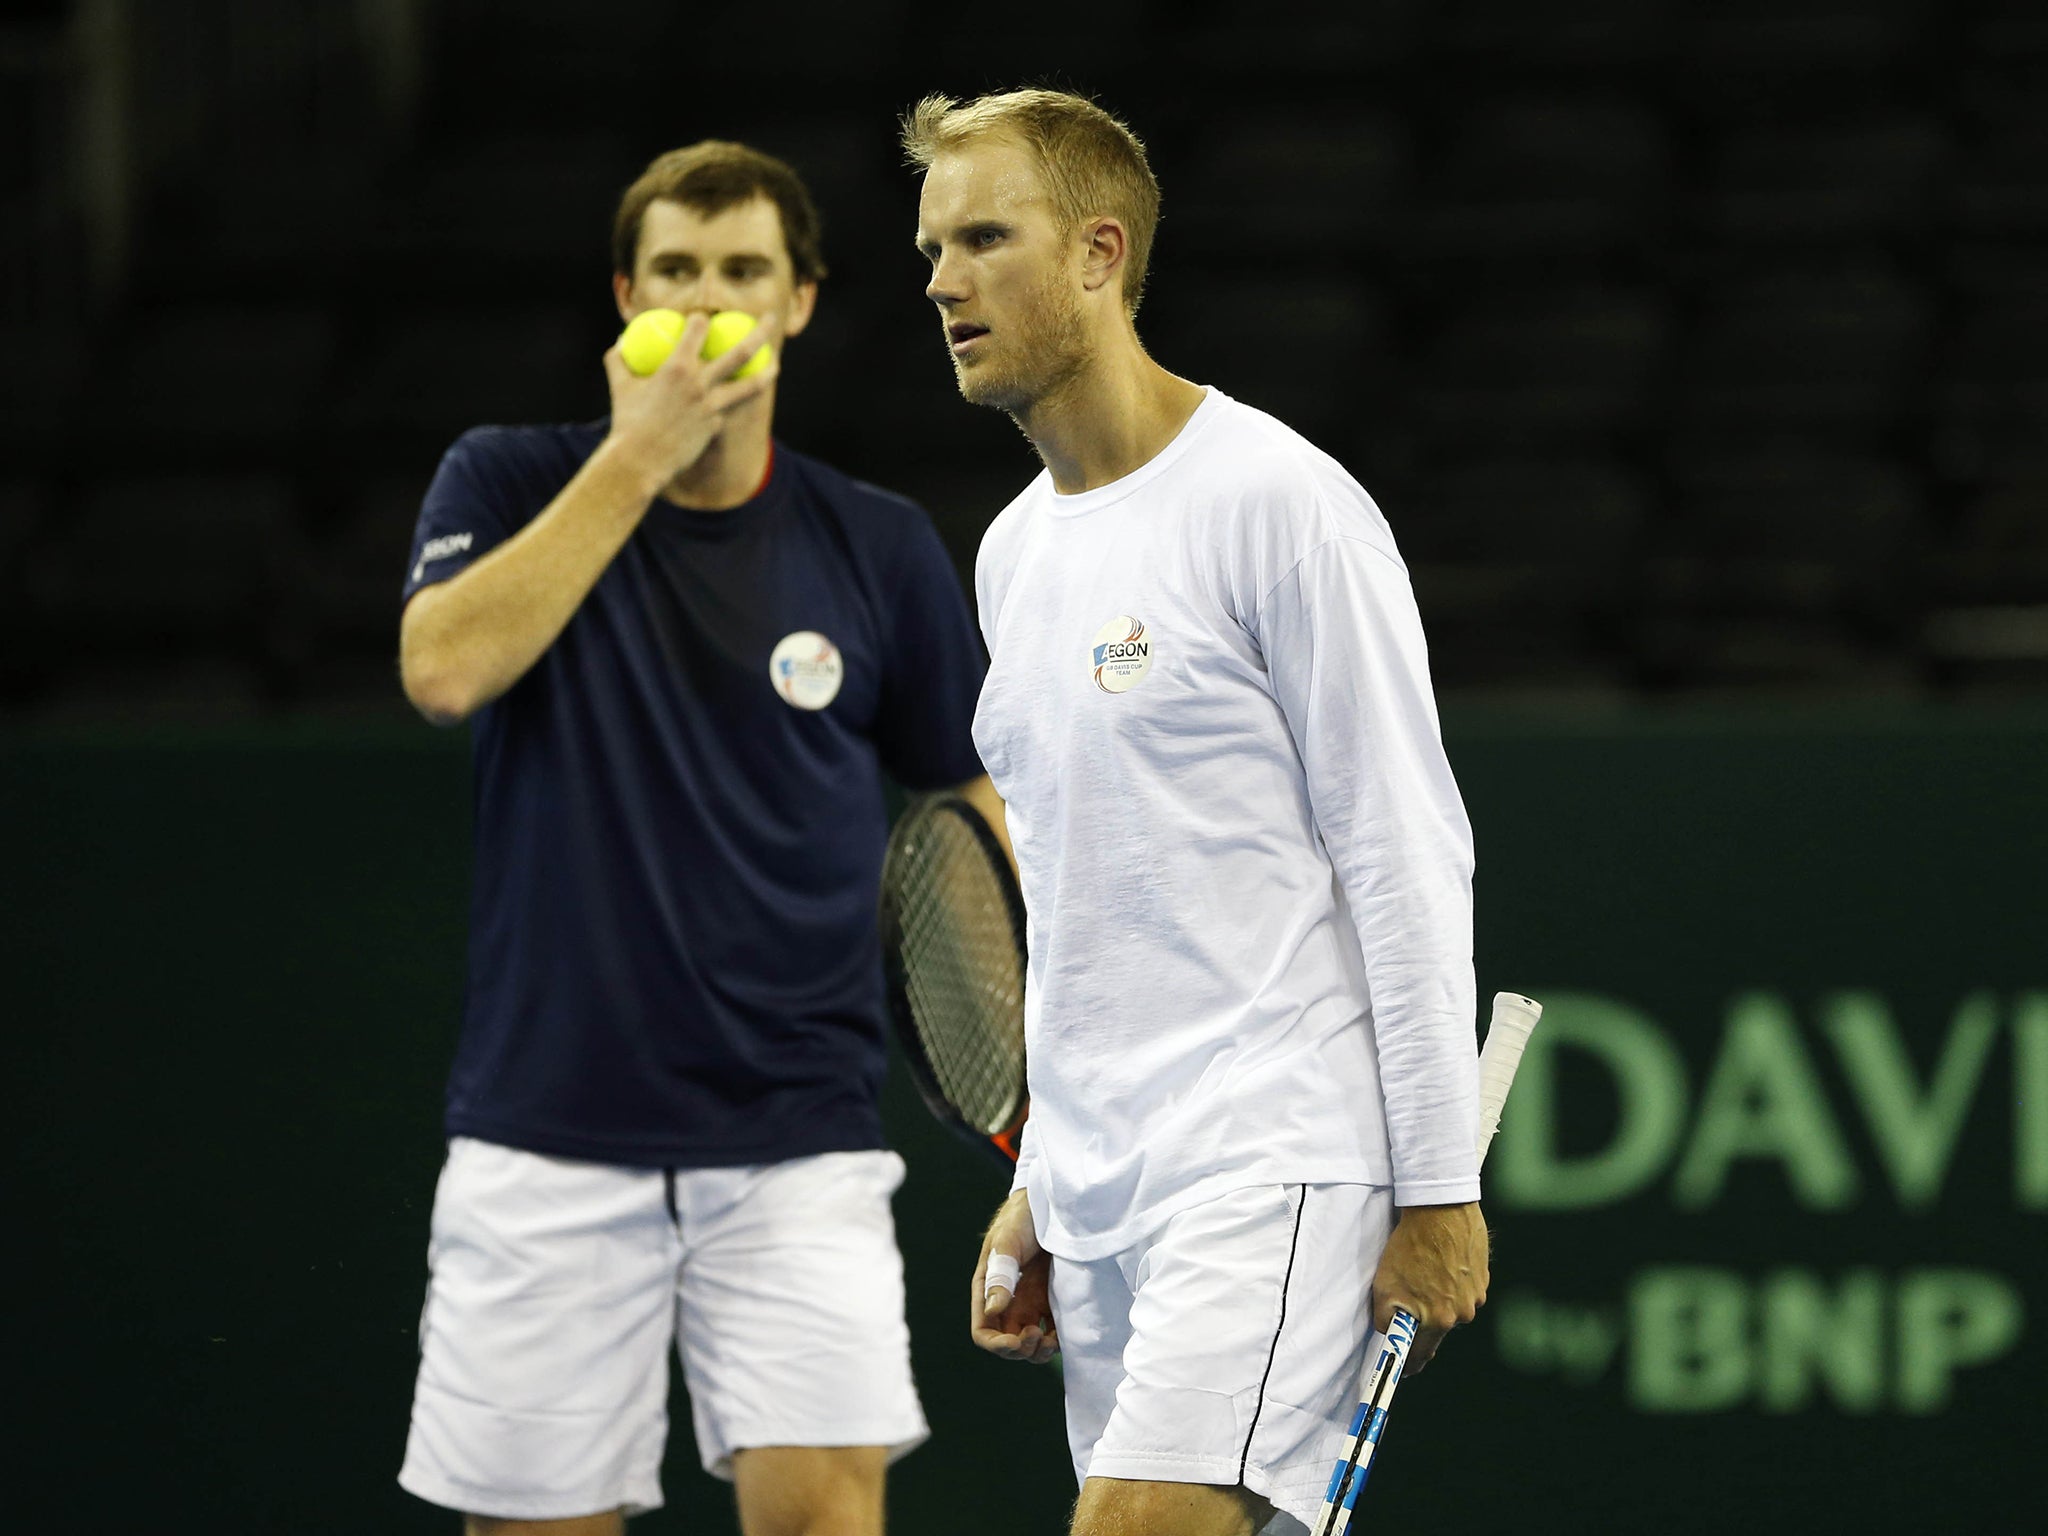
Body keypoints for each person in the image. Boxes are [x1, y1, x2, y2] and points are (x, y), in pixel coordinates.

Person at [904, 90, 1491, 1536]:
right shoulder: (1012, 558)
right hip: (1104, 1195)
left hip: (1272, 1156)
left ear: (1100, 254)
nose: (941, 281)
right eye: (932, 247)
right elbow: (1079, 898)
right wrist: (1043, 1186)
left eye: (986, 237)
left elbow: (1405, 856)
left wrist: (1438, 1187)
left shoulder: (1281, 506)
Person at [395, 139, 996, 1536]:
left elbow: (971, 800)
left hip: (794, 1137)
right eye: (678, 270)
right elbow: (441, 670)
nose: (711, 300)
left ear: (798, 301)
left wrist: (1007, 1018)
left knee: (822, 1522)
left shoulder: (880, 545)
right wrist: (637, 457)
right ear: (627, 295)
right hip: (545, 1140)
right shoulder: (500, 482)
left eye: (744, 273)